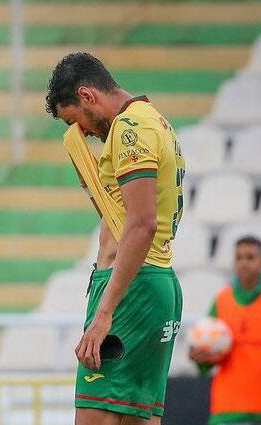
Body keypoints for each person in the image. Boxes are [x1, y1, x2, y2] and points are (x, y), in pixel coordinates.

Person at [46, 52, 185, 424]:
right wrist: (92, 183)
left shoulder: (129, 130)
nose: (85, 133)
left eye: (76, 121)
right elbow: (124, 218)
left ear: (87, 95)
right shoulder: (154, 120)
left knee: (95, 417)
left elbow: (141, 226)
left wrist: (104, 312)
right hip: (154, 282)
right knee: (140, 417)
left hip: (130, 290)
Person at [190, 236, 261, 425]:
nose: (244, 263)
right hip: (229, 409)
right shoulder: (222, 300)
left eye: (250, 257)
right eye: (239, 258)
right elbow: (207, 350)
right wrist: (199, 356)